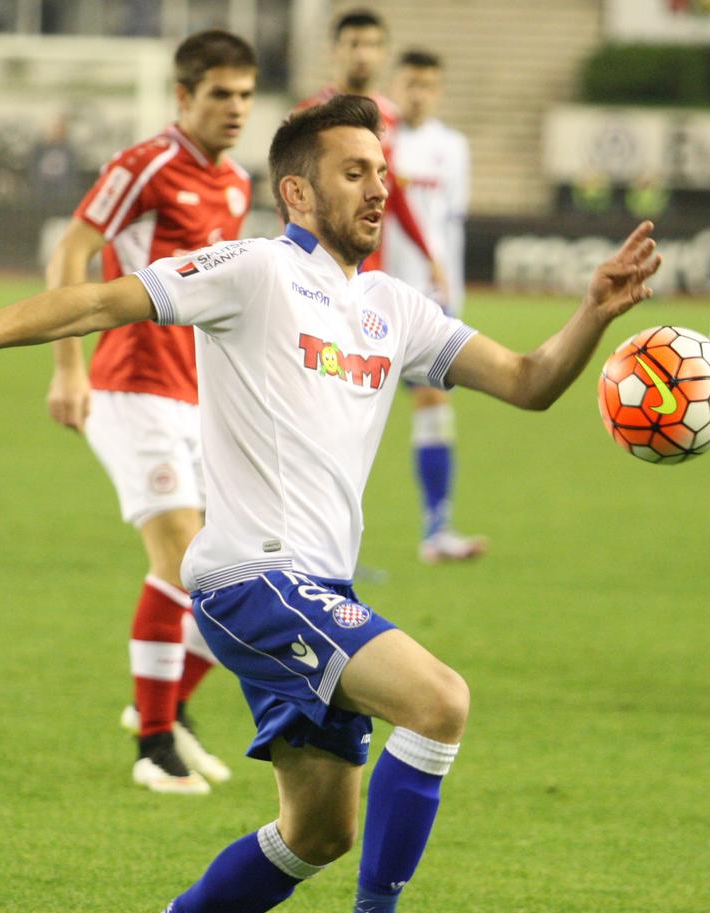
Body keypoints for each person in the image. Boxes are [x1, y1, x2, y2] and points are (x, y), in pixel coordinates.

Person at [0, 95, 660, 913]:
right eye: (354, 172)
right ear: (296, 191)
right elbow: (99, 298)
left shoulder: (394, 307)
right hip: (253, 575)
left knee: (318, 832)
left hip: (313, 585)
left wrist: (592, 312)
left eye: (381, 171)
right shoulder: (254, 270)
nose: (378, 189)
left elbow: (529, 382)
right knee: (439, 700)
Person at [44, 30, 257, 795]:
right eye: (220, 94)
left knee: (231, 567)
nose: (236, 108)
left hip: (194, 396)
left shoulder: (237, 184)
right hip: (130, 388)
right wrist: (68, 367)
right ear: (184, 95)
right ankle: (154, 746)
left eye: (245, 95)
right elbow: (71, 253)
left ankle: (164, 705)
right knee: (178, 558)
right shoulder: (146, 165)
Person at [296, 11, 483, 564]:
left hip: (380, 288)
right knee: (329, 413)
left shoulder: (388, 119)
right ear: (335, 50)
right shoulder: (309, 117)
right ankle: (308, 543)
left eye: (373, 44)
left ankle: (436, 528)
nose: (363, 53)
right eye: (354, 42)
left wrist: (430, 255)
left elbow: (391, 192)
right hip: (325, 284)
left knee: (430, 397)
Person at [386, 49, 486, 564]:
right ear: (394, 85)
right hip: (378, 294)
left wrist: (453, 296)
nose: (418, 94)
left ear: (438, 90)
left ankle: (437, 528)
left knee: (433, 407)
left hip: (430, 301)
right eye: (410, 83)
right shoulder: (381, 140)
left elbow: (452, 224)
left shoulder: (453, 147)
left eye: (427, 85)